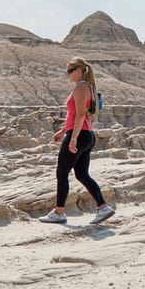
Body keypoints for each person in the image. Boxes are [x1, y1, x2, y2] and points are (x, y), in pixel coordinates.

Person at [39, 57, 116, 224]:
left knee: (61, 172)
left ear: (79, 71)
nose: (68, 74)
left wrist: (72, 138)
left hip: (79, 134)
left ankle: (59, 212)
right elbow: (76, 115)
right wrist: (63, 131)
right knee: (81, 174)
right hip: (86, 134)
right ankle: (103, 208)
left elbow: (81, 114)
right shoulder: (87, 87)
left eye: (70, 71)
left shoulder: (81, 87)